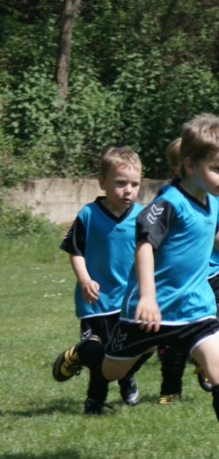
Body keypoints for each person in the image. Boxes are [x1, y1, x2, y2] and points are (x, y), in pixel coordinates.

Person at [51, 113, 219, 459]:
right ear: (189, 165)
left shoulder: (209, 200)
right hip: (149, 313)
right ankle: (83, 352)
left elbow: (214, 231)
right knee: (112, 371)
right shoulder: (168, 204)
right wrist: (147, 296)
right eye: (217, 168)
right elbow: (144, 246)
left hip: (194, 309)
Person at [157, 138, 219, 404]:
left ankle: (202, 354)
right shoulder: (171, 198)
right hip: (184, 276)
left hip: (218, 266)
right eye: (217, 168)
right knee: (176, 333)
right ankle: (170, 389)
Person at [55, 147, 145, 413]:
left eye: (134, 184)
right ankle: (94, 400)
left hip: (130, 300)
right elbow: (75, 251)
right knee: (101, 353)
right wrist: (85, 280)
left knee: (135, 347)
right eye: (120, 183)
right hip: (96, 301)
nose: (128, 190)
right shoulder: (88, 215)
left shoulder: (143, 217)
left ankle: (126, 376)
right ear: (102, 182)